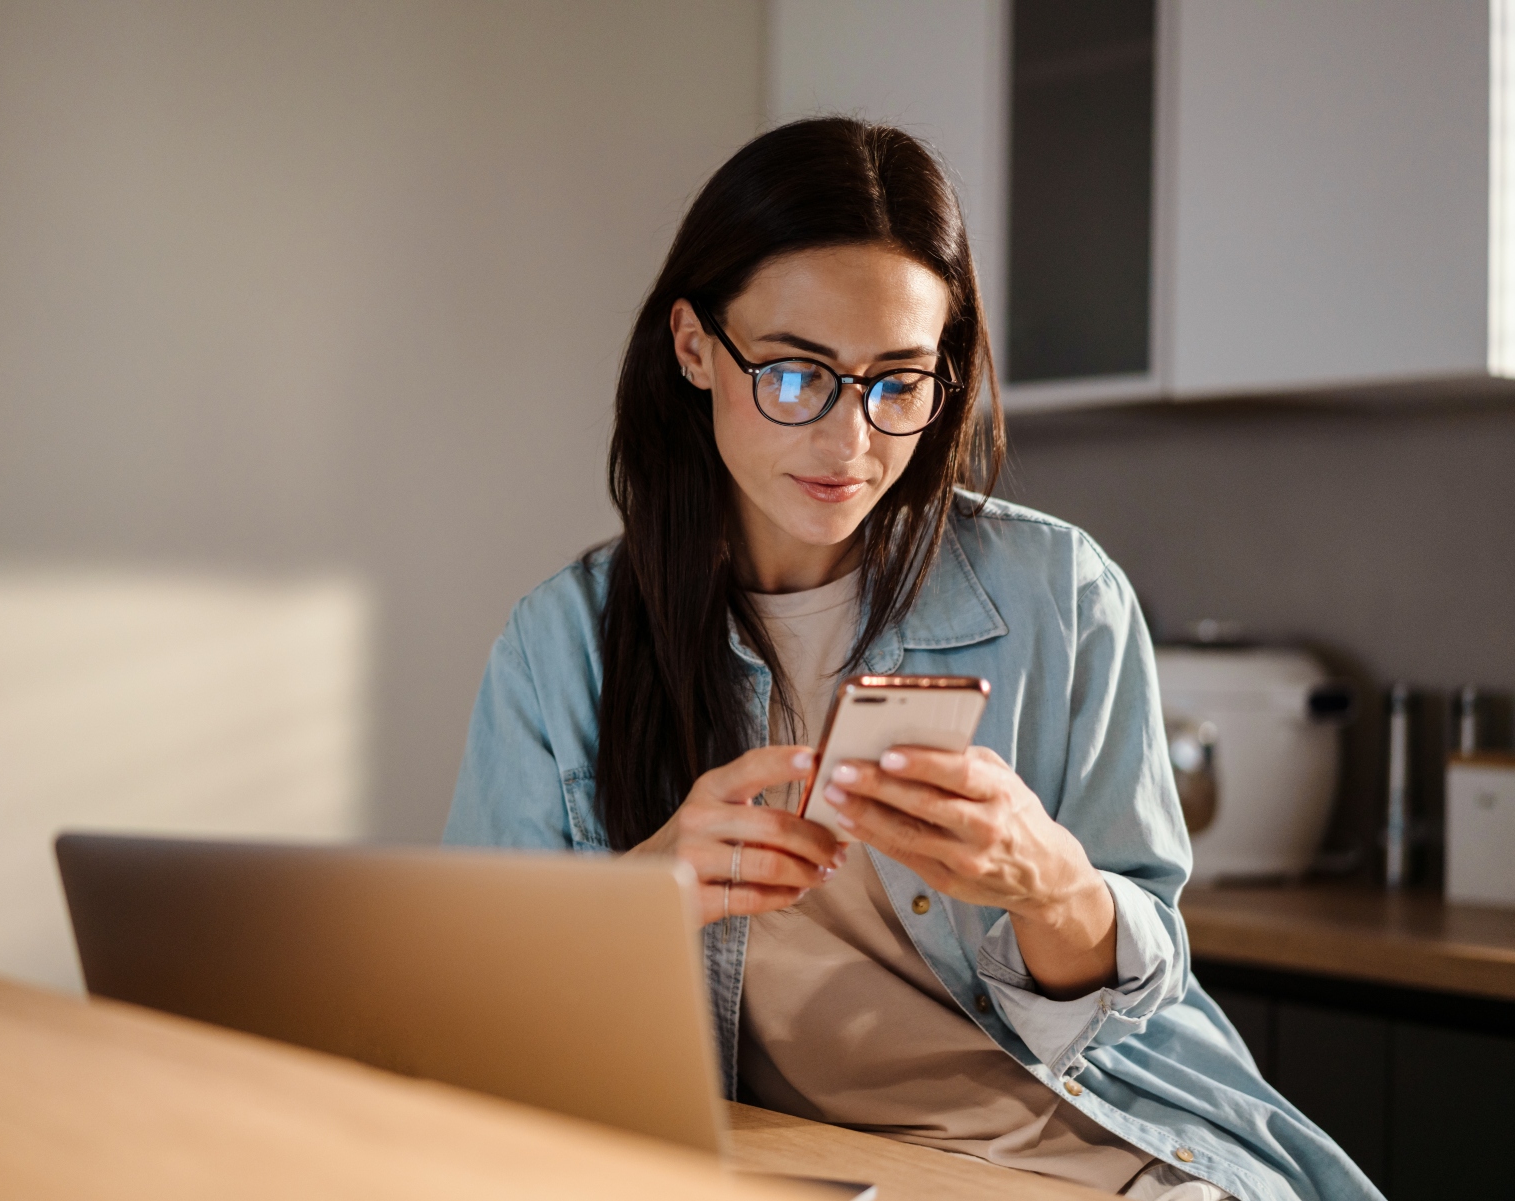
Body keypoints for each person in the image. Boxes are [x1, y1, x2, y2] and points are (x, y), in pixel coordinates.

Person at [443, 117, 1378, 1201]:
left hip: (1105, 1153)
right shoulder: (562, 647)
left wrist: (1051, 883)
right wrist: (639, 899)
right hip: (810, 1168)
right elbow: (477, 1015)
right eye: (796, 376)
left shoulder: (1062, 595)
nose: (851, 445)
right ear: (694, 346)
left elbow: (1137, 992)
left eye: (897, 383)